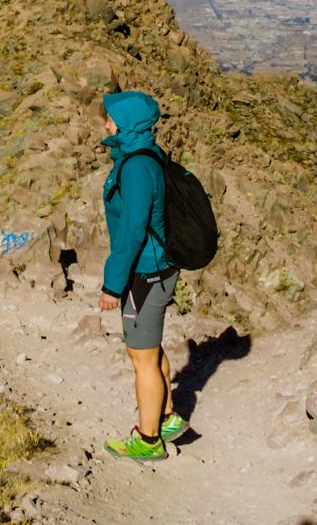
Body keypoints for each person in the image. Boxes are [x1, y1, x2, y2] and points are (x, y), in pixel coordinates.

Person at [97, 89, 187, 460]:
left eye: (110, 118)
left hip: (145, 273)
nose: (105, 123)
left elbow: (133, 231)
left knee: (142, 359)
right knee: (151, 348)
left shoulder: (135, 167)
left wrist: (112, 285)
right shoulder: (147, 155)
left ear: (126, 124)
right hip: (159, 266)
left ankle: (149, 441)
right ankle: (166, 417)